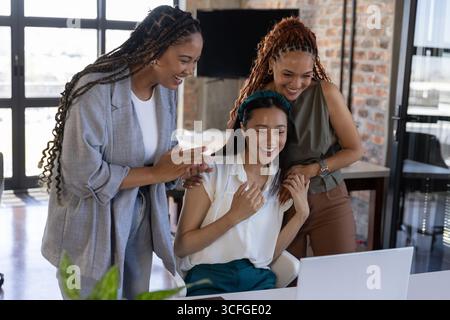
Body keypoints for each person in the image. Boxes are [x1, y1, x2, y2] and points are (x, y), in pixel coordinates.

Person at [39, 5, 210, 300]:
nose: (190, 71)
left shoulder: (166, 91)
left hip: (139, 220)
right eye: (184, 60)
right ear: (155, 49)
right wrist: (158, 173)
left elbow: (158, 155)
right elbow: (81, 174)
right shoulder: (95, 90)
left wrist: (179, 172)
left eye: (194, 62)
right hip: (92, 226)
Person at [226, 17, 364, 259]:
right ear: (271, 65)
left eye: (306, 75)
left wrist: (312, 170)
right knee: (284, 283)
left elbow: (354, 150)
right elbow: (234, 150)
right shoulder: (257, 98)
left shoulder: (326, 94)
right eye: (288, 74)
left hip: (328, 199)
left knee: (341, 278)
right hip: (277, 204)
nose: (297, 84)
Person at [174, 91, 310, 296]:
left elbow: (265, 256)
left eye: (279, 131)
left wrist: (301, 215)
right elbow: (182, 247)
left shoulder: (280, 182)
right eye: (260, 130)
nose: (271, 140)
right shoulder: (212, 172)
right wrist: (233, 216)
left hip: (259, 281)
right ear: (244, 129)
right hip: (208, 281)